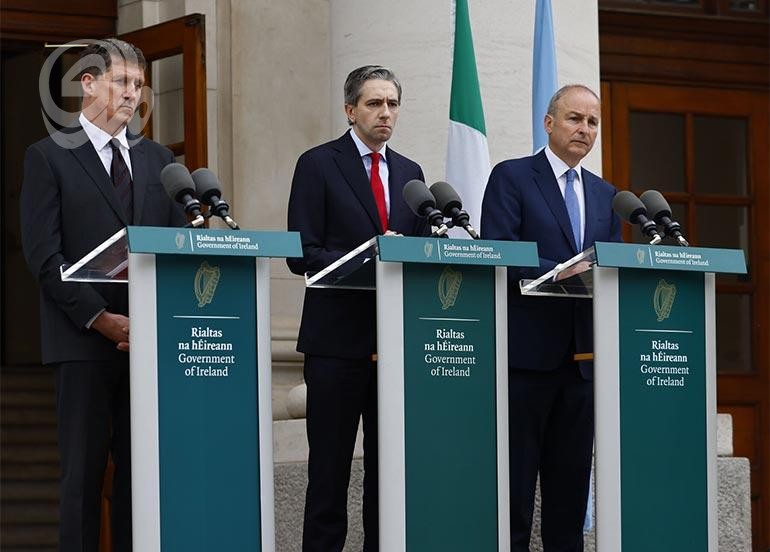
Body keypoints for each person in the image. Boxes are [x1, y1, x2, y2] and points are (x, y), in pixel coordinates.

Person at [20, 39, 186, 551]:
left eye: (138, 84)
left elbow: (176, 248)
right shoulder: (49, 156)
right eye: (121, 81)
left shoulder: (160, 160)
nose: (132, 93)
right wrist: (100, 319)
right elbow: (44, 258)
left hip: (147, 345)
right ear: (88, 83)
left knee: (143, 478)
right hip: (83, 343)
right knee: (83, 478)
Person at [286, 65, 429, 552]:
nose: (385, 113)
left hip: (393, 344)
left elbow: (420, 253)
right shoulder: (318, 164)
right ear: (350, 110)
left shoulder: (411, 174)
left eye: (392, 104)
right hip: (335, 344)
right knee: (329, 473)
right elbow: (301, 252)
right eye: (374, 103)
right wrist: (369, 254)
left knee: (388, 475)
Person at [481, 84, 621, 552]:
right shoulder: (513, 177)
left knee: (569, 499)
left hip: (583, 363)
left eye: (593, 122)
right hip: (526, 360)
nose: (584, 129)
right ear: (548, 123)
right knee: (514, 497)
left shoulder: (607, 195)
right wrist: (558, 271)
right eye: (574, 118)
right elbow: (500, 253)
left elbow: (610, 267)